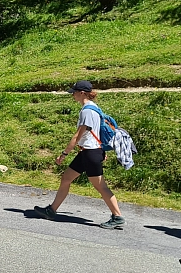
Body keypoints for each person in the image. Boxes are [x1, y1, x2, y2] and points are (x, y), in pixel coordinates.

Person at [34, 81, 125, 229]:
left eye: (74, 92)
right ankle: (52, 210)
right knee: (66, 178)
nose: (73, 94)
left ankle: (117, 216)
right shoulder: (94, 108)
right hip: (88, 152)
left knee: (101, 186)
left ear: (82, 93)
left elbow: (77, 136)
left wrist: (64, 154)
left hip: (90, 153)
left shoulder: (87, 111)